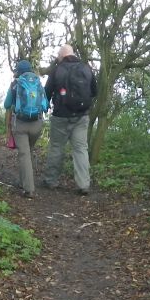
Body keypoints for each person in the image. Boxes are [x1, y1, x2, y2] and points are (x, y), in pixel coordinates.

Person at [42, 44, 98, 196]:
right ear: (73, 54)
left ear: (61, 56)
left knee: (56, 148)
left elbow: (46, 93)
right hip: (81, 116)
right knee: (81, 149)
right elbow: (95, 91)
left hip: (60, 116)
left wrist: (46, 106)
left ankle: (51, 181)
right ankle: (83, 184)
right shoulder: (86, 68)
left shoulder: (57, 70)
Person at [4, 59, 47, 198]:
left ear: (19, 71)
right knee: (29, 151)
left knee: (24, 154)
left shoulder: (15, 84)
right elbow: (45, 104)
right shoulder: (38, 83)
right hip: (37, 124)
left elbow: (6, 104)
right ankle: (24, 181)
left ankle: (29, 188)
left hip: (21, 125)